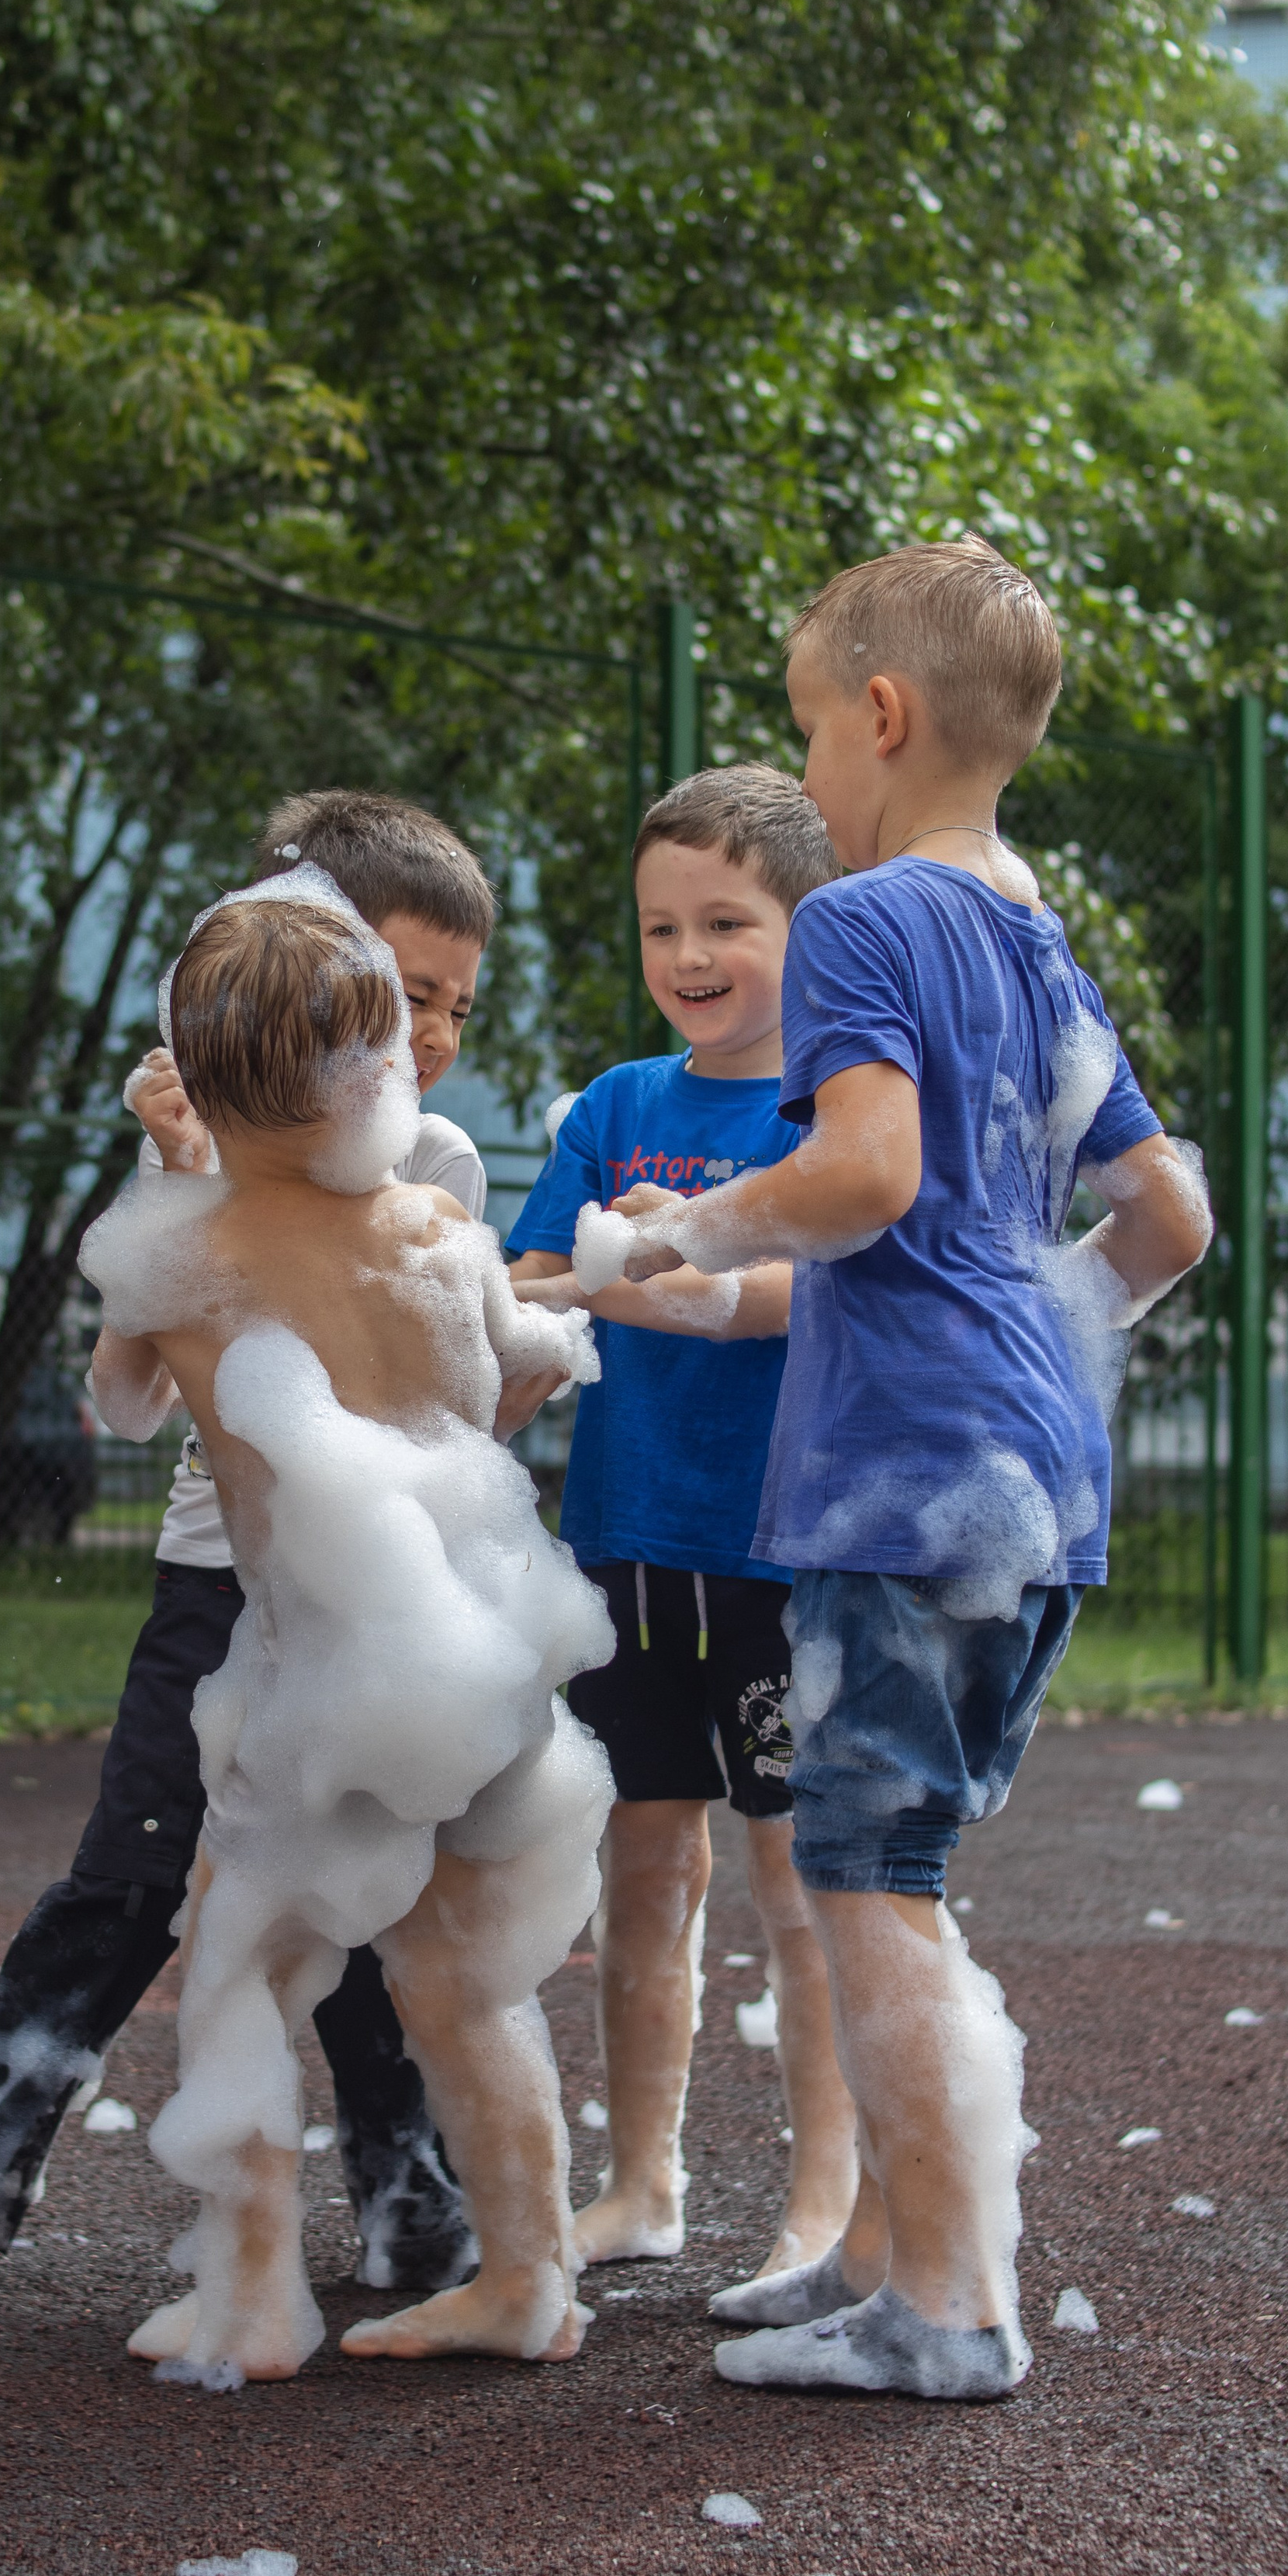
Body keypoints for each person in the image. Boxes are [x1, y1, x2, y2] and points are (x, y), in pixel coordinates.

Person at [604, 539, 1211, 2399]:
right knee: (903, 1864)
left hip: (900, 1478)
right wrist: (1029, 1331)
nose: (807, 773)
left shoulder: (864, 920)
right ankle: (873, 2255)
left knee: (865, 1876)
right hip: (1033, 1481)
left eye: (804, 733)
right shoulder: (1038, 945)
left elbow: (859, 1179)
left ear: (875, 719)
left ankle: (943, 2309)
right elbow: (1166, 1218)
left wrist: (682, 1236)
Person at [0, 792, 506, 2303]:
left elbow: (452, 1405)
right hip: (216, 1598)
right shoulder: (194, 1166)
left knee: (368, 1903)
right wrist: (176, 1191)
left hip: (366, 1605)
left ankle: (418, 2208)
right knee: (127, 1881)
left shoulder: (441, 1166)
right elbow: (117, 1400)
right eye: (399, 996)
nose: (423, 1036)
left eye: (453, 1007)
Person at [85, 875, 612, 2380]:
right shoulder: (441, 1230)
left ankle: (251, 2305)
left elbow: (115, 1406)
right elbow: (525, 1371)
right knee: (461, 1990)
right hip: (492, 1667)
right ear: (375, 1065)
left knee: (240, 1973)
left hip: (325, 1694)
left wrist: (174, 1174)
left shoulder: (183, 1261)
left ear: (198, 1078)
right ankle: (529, 2278)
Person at [506, 764, 861, 2290]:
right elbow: (526, 1285)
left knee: (801, 1883)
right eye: (661, 926)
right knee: (641, 1868)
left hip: (786, 1554)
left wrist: (656, 1280)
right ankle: (640, 2184)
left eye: (726, 920)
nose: (688, 955)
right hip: (624, 1545)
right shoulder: (614, 1107)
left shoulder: (840, 1114)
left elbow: (815, 1286)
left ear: (808, 925)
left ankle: (823, 2208)